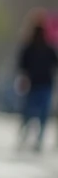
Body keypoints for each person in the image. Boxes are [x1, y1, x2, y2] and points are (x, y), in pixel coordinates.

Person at [16, 19, 57, 153]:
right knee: (28, 114)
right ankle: (24, 136)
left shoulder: (48, 49)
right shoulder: (29, 48)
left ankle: (38, 140)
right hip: (33, 85)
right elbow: (22, 66)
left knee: (42, 116)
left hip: (45, 85)